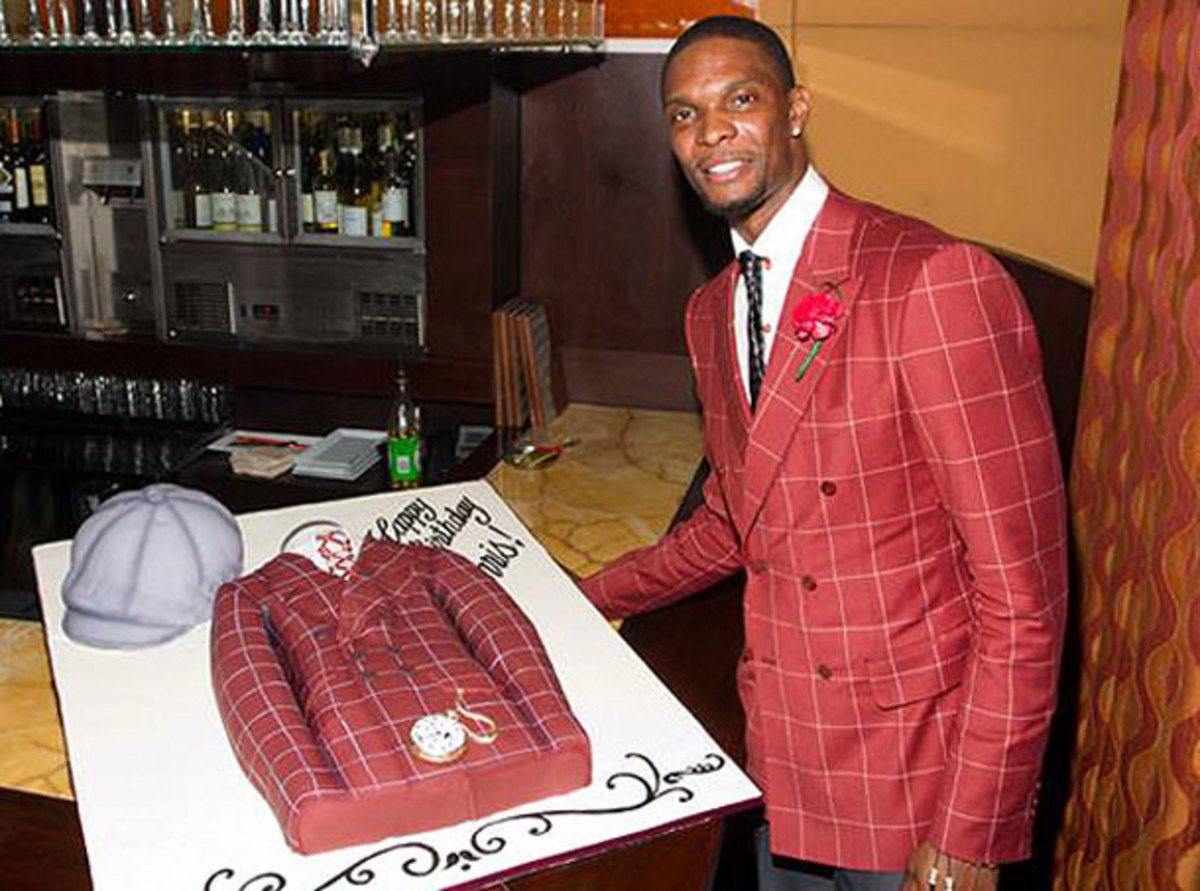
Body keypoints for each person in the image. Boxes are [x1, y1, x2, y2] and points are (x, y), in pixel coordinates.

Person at [579, 15, 1067, 891]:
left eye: (740, 99)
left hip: (916, 782)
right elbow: (736, 518)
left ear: (795, 109)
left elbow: (1023, 595)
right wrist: (581, 598)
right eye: (684, 114)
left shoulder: (929, 280)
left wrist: (970, 828)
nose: (711, 131)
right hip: (784, 759)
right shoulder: (711, 310)